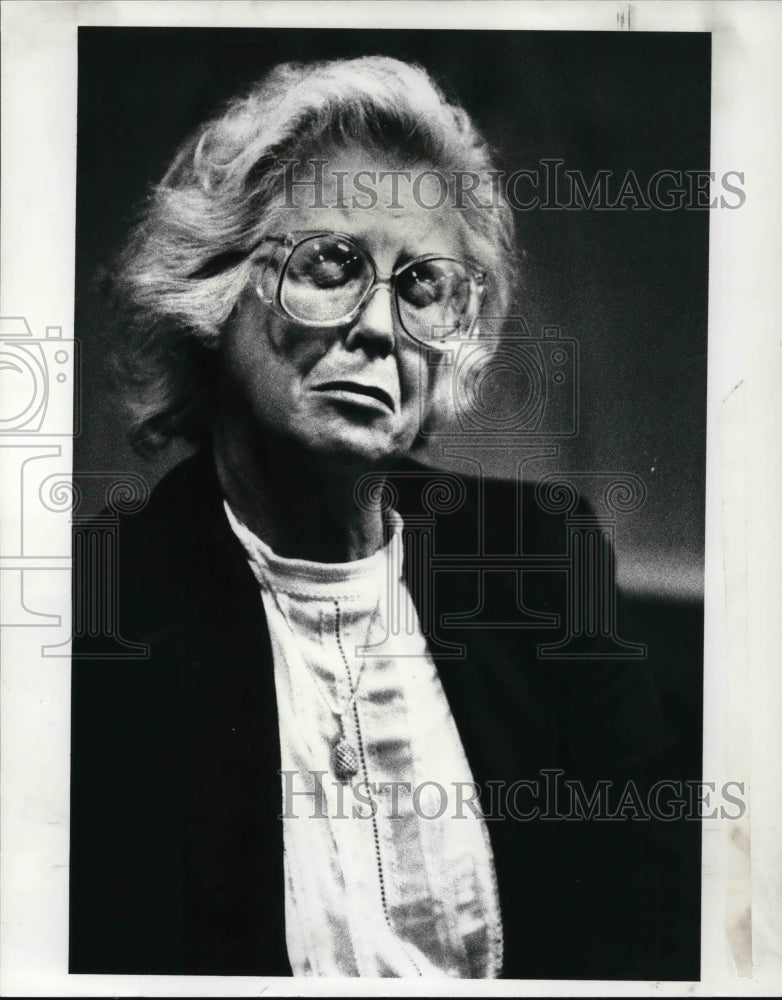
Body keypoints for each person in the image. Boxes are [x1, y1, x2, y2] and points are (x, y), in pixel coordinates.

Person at [70, 56, 695, 980]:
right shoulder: (97, 607)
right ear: (216, 286)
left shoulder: (541, 559)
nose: (381, 329)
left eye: (421, 289)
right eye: (331, 264)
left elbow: (653, 921)